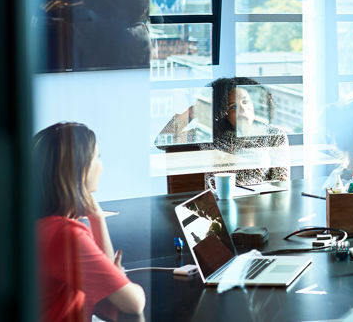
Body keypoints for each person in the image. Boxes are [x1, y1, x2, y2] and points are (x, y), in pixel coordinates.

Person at [36, 122, 145, 321]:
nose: (102, 166)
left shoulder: (45, 226)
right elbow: (133, 303)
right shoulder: (66, 235)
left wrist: (96, 216)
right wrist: (120, 278)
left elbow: (109, 288)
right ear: (80, 170)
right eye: (97, 157)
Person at [158, 77, 289, 187]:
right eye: (233, 107)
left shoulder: (274, 135)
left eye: (245, 102)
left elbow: (281, 181)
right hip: (218, 205)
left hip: (258, 206)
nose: (242, 109)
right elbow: (161, 141)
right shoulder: (207, 134)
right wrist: (191, 113)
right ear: (223, 113)